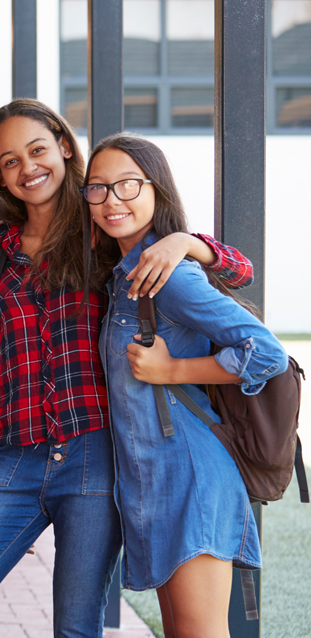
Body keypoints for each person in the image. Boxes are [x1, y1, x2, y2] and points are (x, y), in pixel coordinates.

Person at [0, 99, 255, 637]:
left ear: (63, 147)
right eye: (9, 161)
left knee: (77, 629)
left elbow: (239, 271)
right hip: (14, 458)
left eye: (37, 150)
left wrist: (188, 242)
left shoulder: (103, 228)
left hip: (93, 455)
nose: (27, 168)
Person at [84, 133, 285, 638]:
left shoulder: (169, 275)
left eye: (128, 185)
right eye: (99, 188)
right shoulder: (124, 273)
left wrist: (175, 371)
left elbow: (266, 352)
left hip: (193, 478)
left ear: (157, 190)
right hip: (153, 480)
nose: (113, 200)